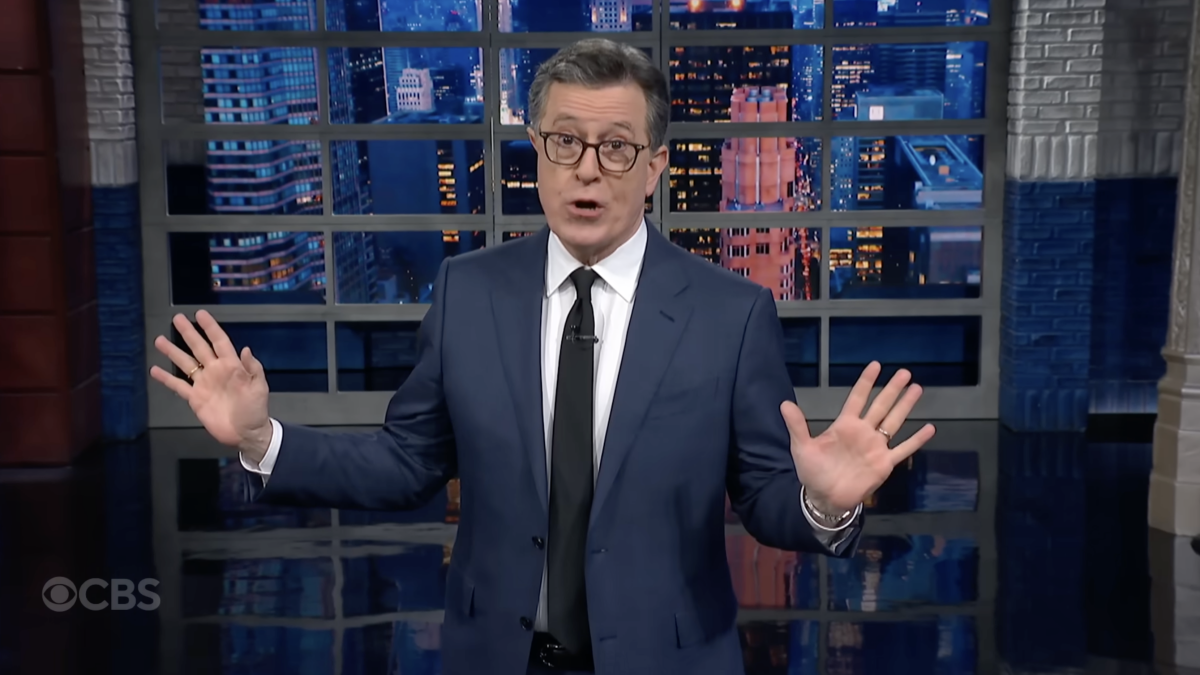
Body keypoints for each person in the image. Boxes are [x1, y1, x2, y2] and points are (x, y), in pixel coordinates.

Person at [150, 38, 935, 675]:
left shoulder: (731, 314)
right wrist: (261, 438)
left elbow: (764, 497)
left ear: (656, 167)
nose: (587, 168)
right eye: (566, 142)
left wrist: (822, 502)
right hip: (497, 653)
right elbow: (406, 462)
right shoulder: (468, 290)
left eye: (617, 147)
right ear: (537, 152)